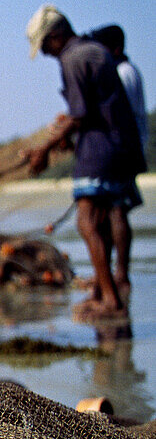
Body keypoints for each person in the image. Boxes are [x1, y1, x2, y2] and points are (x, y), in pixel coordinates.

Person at [25, 5, 140, 321]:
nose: (47, 54)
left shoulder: (73, 59)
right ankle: (108, 291)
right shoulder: (94, 51)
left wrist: (45, 148)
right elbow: (94, 108)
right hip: (118, 146)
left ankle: (111, 301)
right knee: (105, 217)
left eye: (46, 46)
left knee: (86, 222)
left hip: (100, 150)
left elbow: (80, 114)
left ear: (57, 36)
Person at [90, 23, 147, 294]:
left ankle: (120, 275)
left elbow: (113, 112)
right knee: (112, 211)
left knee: (116, 210)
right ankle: (112, 274)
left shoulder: (122, 73)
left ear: (115, 48)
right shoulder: (126, 71)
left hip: (123, 149)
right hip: (125, 147)